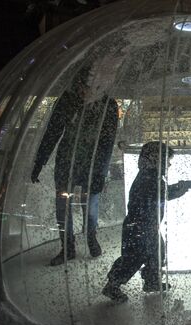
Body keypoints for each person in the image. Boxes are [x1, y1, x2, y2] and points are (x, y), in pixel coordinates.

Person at [31, 66, 119, 266]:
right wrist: (40, 161)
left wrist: (100, 172)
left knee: (90, 204)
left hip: (92, 164)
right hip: (66, 160)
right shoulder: (67, 101)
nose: (83, 91)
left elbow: (107, 142)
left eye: (88, 86)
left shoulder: (108, 106)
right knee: (63, 204)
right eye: (81, 85)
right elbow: (52, 132)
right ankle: (67, 248)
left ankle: (90, 237)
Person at [102, 142, 191, 303]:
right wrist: (187, 185)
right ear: (157, 160)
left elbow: (162, 194)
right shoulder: (149, 178)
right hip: (138, 228)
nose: (169, 164)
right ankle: (112, 285)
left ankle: (151, 281)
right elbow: (165, 193)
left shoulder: (149, 175)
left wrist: (185, 185)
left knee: (157, 252)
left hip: (145, 226)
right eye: (167, 160)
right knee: (133, 258)